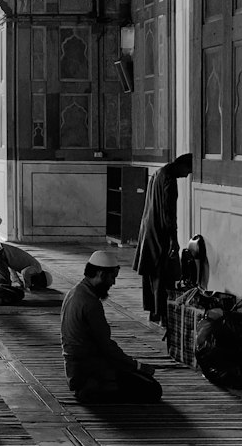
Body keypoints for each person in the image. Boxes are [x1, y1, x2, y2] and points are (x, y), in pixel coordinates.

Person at [60, 250, 163, 403]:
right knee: (152, 389)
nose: (113, 283)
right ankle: (92, 388)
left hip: (75, 368)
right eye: (112, 277)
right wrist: (137, 366)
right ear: (101, 274)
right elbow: (106, 347)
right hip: (87, 369)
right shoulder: (90, 303)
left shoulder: (74, 292)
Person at [133, 153, 194, 324]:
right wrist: (173, 239)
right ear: (182, 165)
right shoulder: (169, 179)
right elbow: (169, 213)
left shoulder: (158, 173)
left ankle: (153, 311)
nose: (187, 175)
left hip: (149, 228)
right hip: (161, 233)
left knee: (152, 272)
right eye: (188, 170)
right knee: (163, 274)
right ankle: (163, 315)